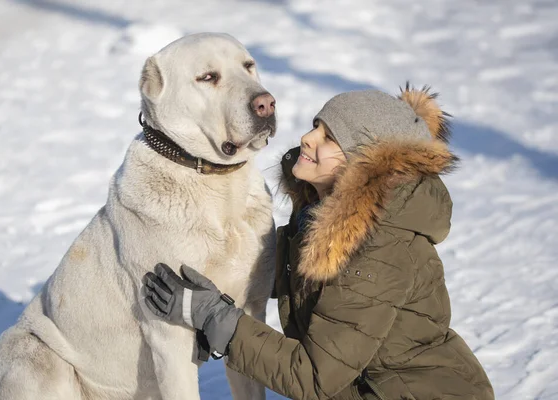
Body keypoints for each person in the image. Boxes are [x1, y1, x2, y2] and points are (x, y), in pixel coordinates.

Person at [142, 85, 495, 400]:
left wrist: (215, 318)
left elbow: (314, 377)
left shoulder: (377, 250)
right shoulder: (321, 217)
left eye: (330, 138)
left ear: (364, 168)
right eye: (316, 126)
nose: (308, 139)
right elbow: (295, 281)